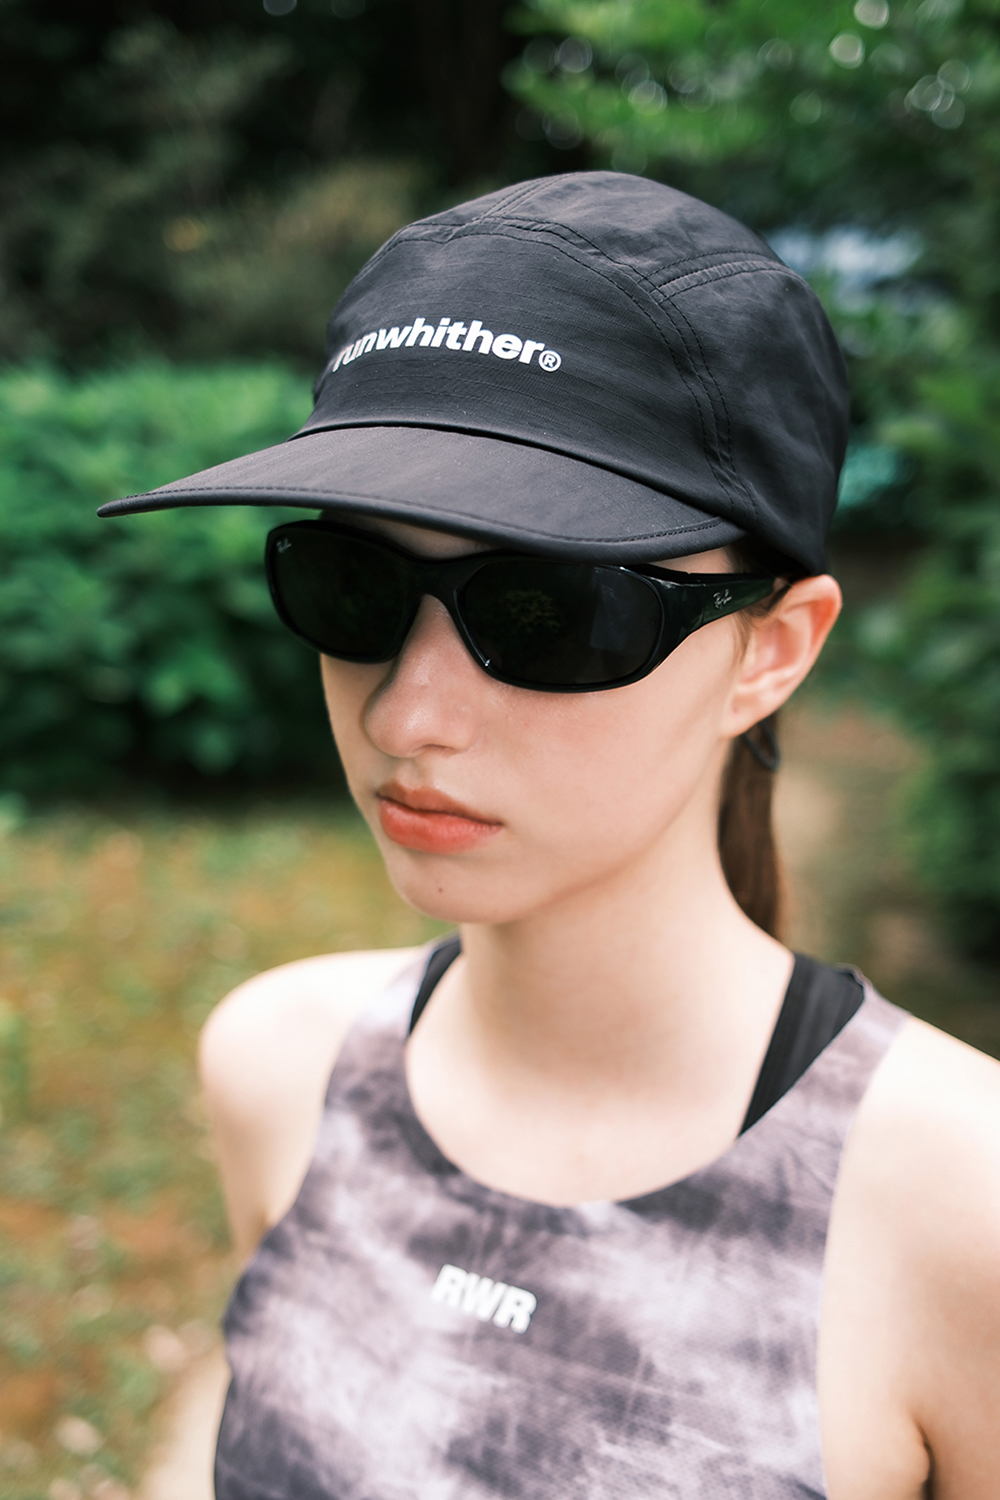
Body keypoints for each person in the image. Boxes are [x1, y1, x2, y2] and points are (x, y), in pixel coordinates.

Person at [100, 172, 1000, 1500]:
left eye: (550, 613)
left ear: (770, 651)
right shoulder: (281, 1068)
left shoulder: (961, 1208)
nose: (407, 714)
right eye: (352, 585)